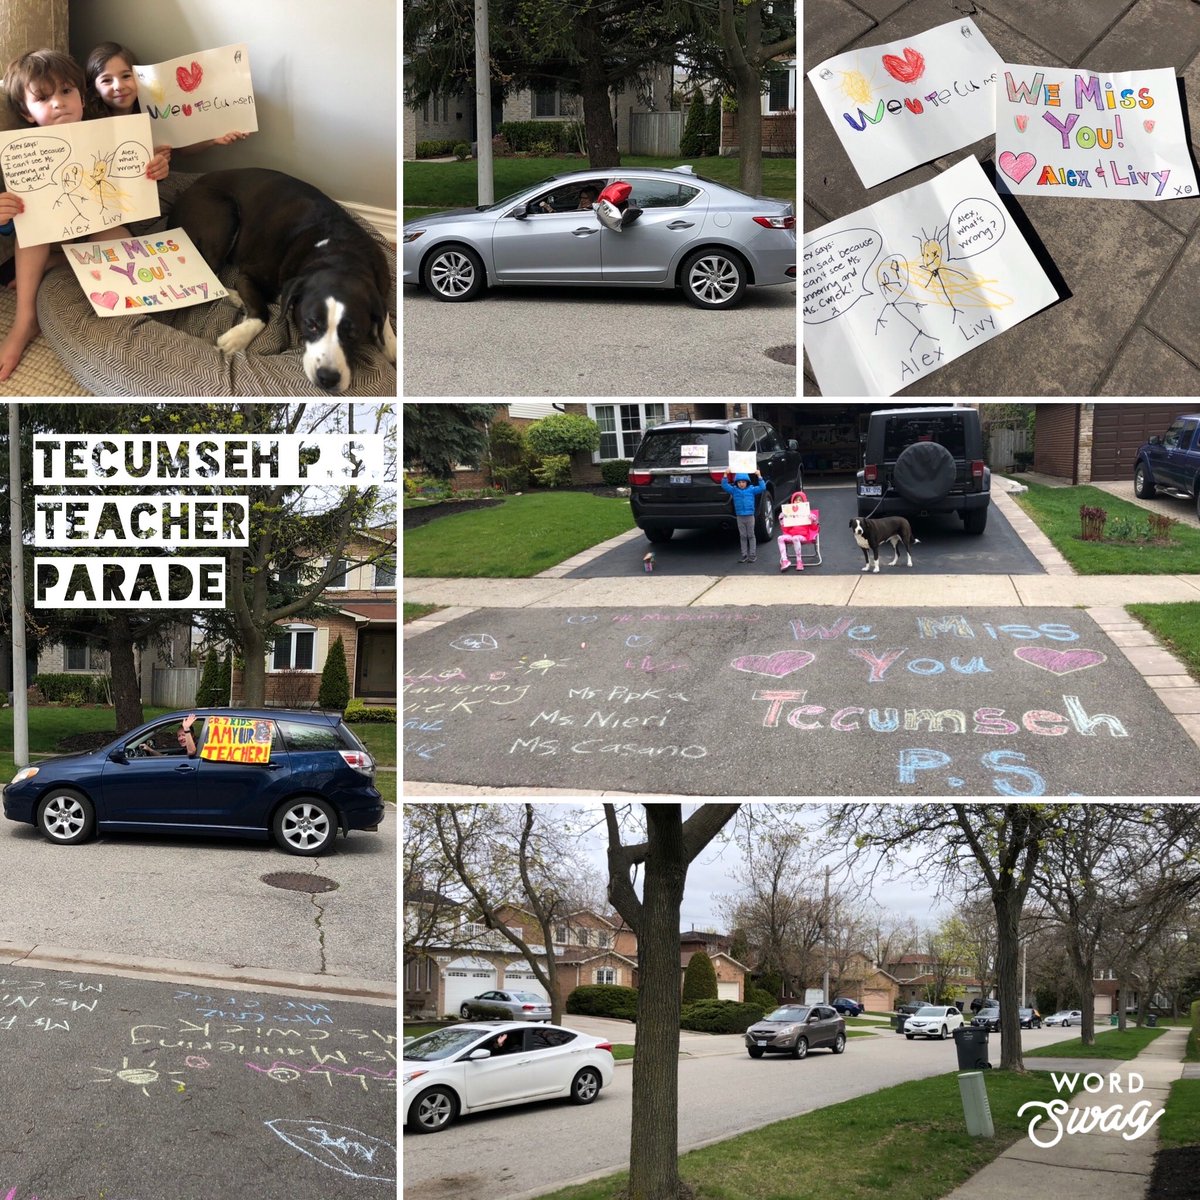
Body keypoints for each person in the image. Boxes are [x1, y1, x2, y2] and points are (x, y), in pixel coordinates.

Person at [0, 49, 170, 381]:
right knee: (30, 230)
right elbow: (12, 227)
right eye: (43, 98)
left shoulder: (106, 132)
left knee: (130, 267)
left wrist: (157, 168)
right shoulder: (23, 153)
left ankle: (66, 265)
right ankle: (24, 321)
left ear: (80, 95)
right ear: (27, 112)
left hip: (101, 225)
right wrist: (3, 217)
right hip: (49, 237)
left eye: (66, 91)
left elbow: (134, 180)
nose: (58, 103)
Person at [85, 42, 253, 157]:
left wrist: (213, 140)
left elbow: (182, 147)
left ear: (139, 77)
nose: (119, 86)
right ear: (95, 91)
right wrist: (145, 157)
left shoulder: (155, 111)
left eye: (126, 76)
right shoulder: (92, 126)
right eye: (107, 80)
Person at [719, 470, 766, 564]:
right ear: (737, 483)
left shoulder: (752, 489)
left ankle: (752, 555)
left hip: (750, 516)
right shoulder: (734, 490)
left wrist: (759, 476)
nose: (741, 484)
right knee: (743, 536)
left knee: (751, 535)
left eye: (743, 482)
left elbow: (762, 487)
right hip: (740, 516)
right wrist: (725, 475)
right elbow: (724, 485)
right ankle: (744, 554)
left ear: (747, 482)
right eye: (739, 482)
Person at [777, 490, 812, 572]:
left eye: (800, 500)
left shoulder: (808, 513)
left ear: (804, 502)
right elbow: (785, 530)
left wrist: (813, 520)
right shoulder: (790, 513)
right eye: (796, 500)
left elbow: (814, 528)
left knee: (795, 538)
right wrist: (782, 520)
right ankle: (785, 560)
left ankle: (799, 561)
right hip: (791, 534)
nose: (798, 502)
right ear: (793, 501)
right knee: (780, 538)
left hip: (803, 536)